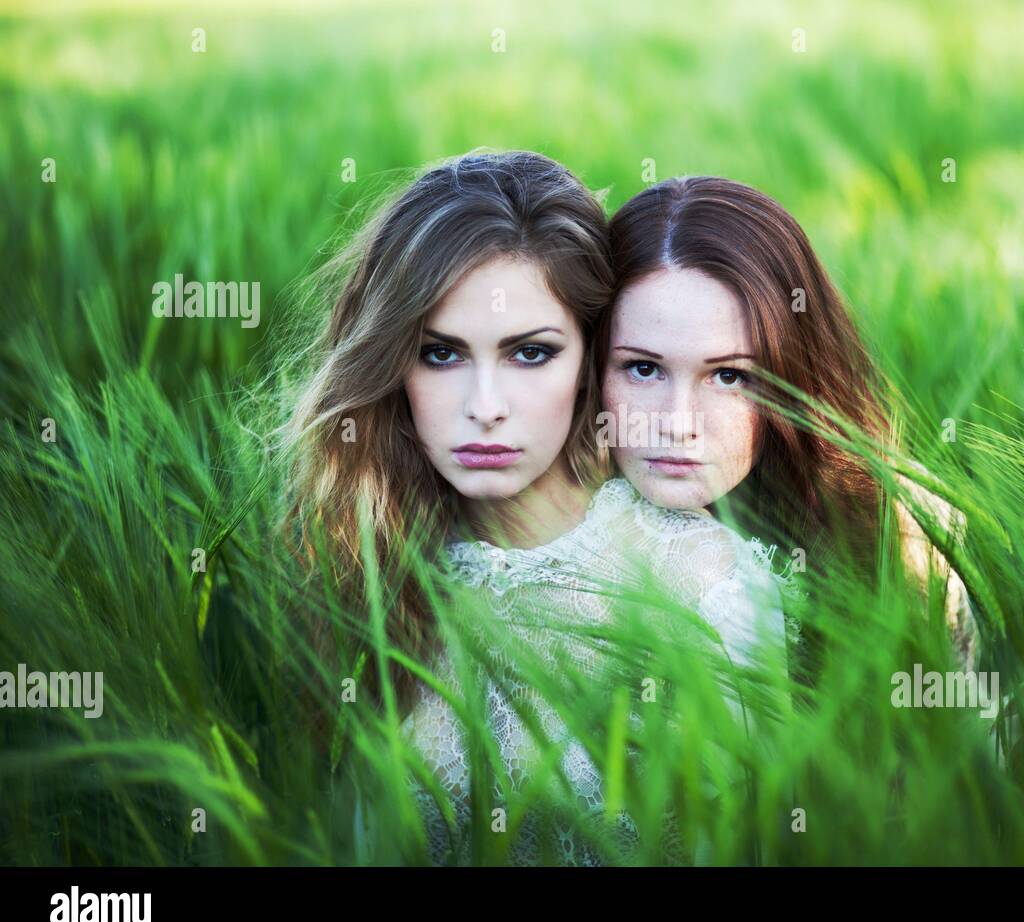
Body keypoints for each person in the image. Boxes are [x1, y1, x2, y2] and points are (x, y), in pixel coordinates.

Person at [281, 151, 788, 865]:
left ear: (591, 356)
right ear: (392, 364)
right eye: (441, 354)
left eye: (529, 354)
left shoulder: (703, 584)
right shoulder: (371, 565)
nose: (485, 409)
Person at [596, 176, 979, 685]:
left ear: (791, 378)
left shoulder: (887, 527)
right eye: (643, 368)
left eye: (730, 376)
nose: (677, 424)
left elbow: (953, 736)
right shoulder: (520, 528)